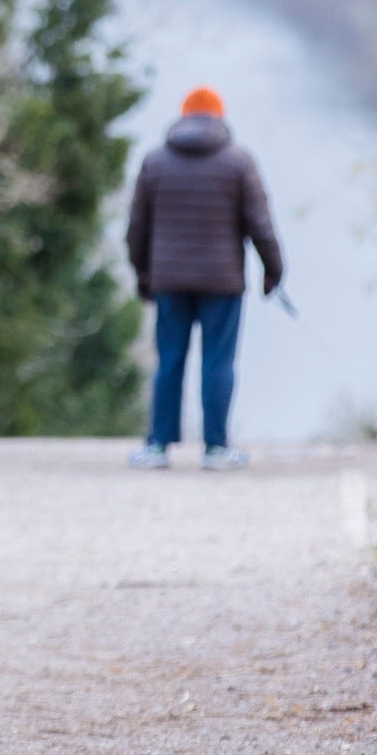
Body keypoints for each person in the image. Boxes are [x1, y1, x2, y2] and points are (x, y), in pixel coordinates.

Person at [124, 86, 283, 471]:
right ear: (219, 116)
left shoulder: (154, 162)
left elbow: (136, 229)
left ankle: (158, 446)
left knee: (169, 361)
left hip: (169, 282)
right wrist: (272, 271)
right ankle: (215, 449)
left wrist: (143, 273)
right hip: (222, 283)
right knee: (218, 362)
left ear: (182, 116)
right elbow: (260, 226)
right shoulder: (239, 163)